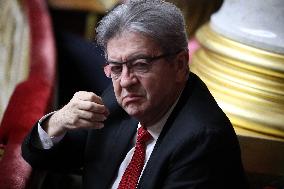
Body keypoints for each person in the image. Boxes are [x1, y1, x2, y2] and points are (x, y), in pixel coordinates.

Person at [22, 0, 249, 188]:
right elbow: (40, 157)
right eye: (116, 68)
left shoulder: (202, 141)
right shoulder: (118, 99)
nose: (126, 81)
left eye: (140, 65)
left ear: (180, 65)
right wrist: (59, 120)